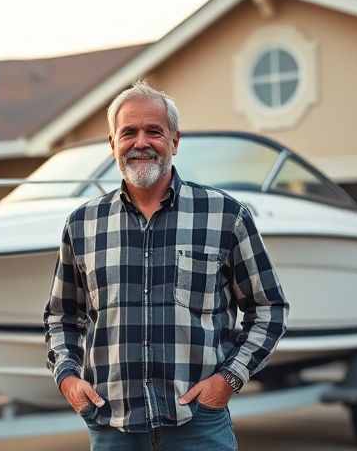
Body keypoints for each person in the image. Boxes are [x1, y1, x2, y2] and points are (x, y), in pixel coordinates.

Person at [43, 81, 289, 450]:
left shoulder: (225, 215)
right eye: (128, 132)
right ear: (113, 144)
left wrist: (229, 380)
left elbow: (269, 309)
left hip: (198, 426)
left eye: (153, 131)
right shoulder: (82, 224)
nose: (141, 142)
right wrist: (67, 378)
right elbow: (62, 316)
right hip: (113, 428)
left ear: (174, 141)